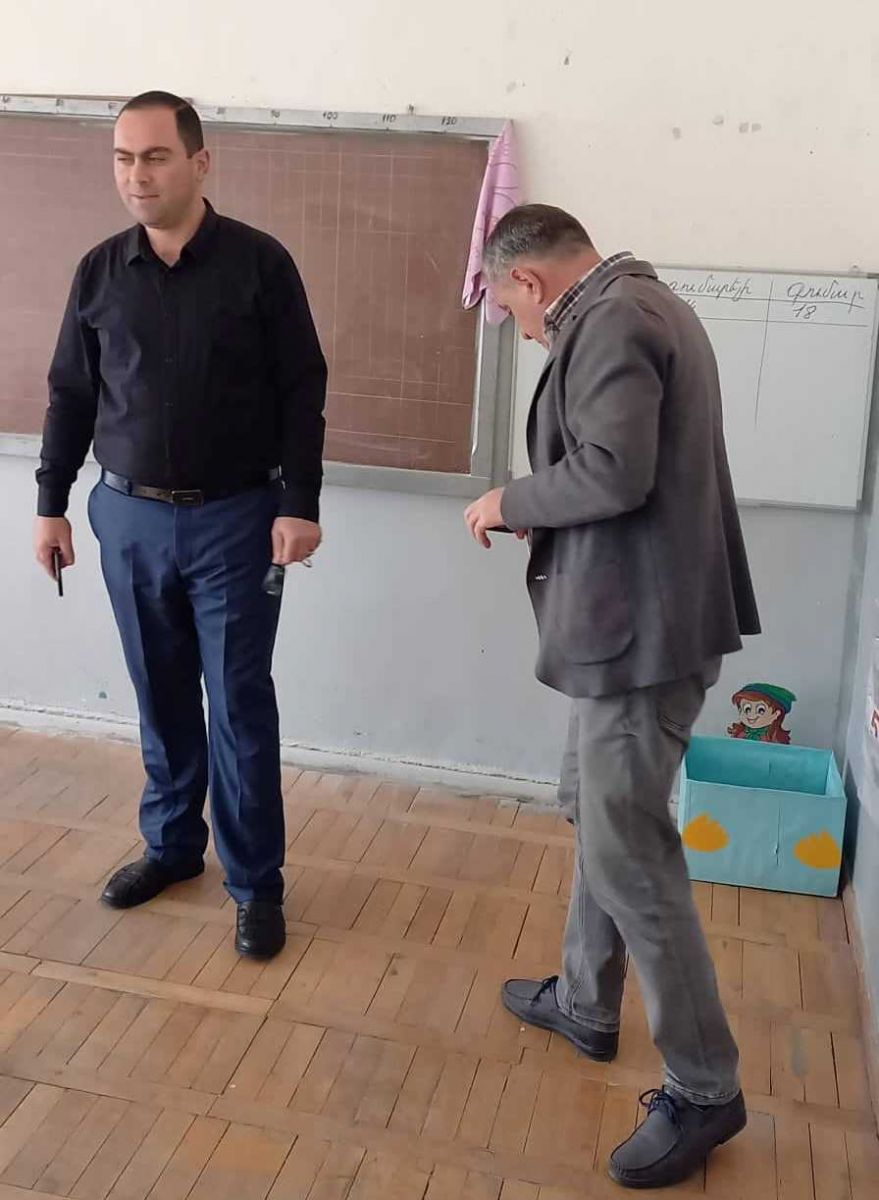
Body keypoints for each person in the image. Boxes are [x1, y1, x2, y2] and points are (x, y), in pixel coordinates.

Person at [464, 205, 760, 1190]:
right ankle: (586, 1003)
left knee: (631, 856)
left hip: (642, 637)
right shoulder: (641, 303)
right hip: (631, 627)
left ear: (531, 282)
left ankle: (705, 1088)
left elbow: (611, 470)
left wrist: (510, 498)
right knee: (597, 816)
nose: (520, 329)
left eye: (510, 309)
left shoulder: (614, 319)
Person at [32, 91, 326, 961]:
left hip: (236, 519)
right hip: (125, 516)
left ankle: (255, 884)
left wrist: (300, 502)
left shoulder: (259, 265)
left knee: (236, 703)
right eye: (123, 158)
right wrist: (51, 503)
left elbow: (301, 389)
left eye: (155, 157)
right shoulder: (99, 271)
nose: (137, 175)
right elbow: (70, 393)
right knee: (159, 693)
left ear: (199, 162)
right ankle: (170, 849)